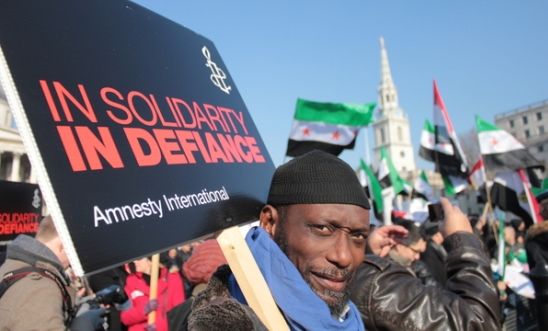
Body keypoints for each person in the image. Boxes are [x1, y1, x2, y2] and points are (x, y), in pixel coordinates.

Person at [173, 150, 371, 330]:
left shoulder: (349, 318)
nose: (344, 257)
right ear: (269, 223)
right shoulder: (211, 322)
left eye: (358, 236)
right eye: (322, 228)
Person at [348, 198, 502, 330]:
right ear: (399, 245)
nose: (417, 257)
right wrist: (462, 239)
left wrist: (366, 252)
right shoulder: (375, 284)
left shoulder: (359, 277)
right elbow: (478, 323)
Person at [0, 216, 105, 330]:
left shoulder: (14, 264)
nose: (73, 261)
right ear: (63, 247)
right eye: (75, 250)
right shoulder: (41, 288)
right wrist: (86, 325)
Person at [121, 255, 185, 331]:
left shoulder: (172, 278)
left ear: (151, 260)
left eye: (139, 259)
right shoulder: (131, 281)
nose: (134, 262)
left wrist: (160, 328)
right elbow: (125, 318)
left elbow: (179, 313)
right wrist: (144, 310)